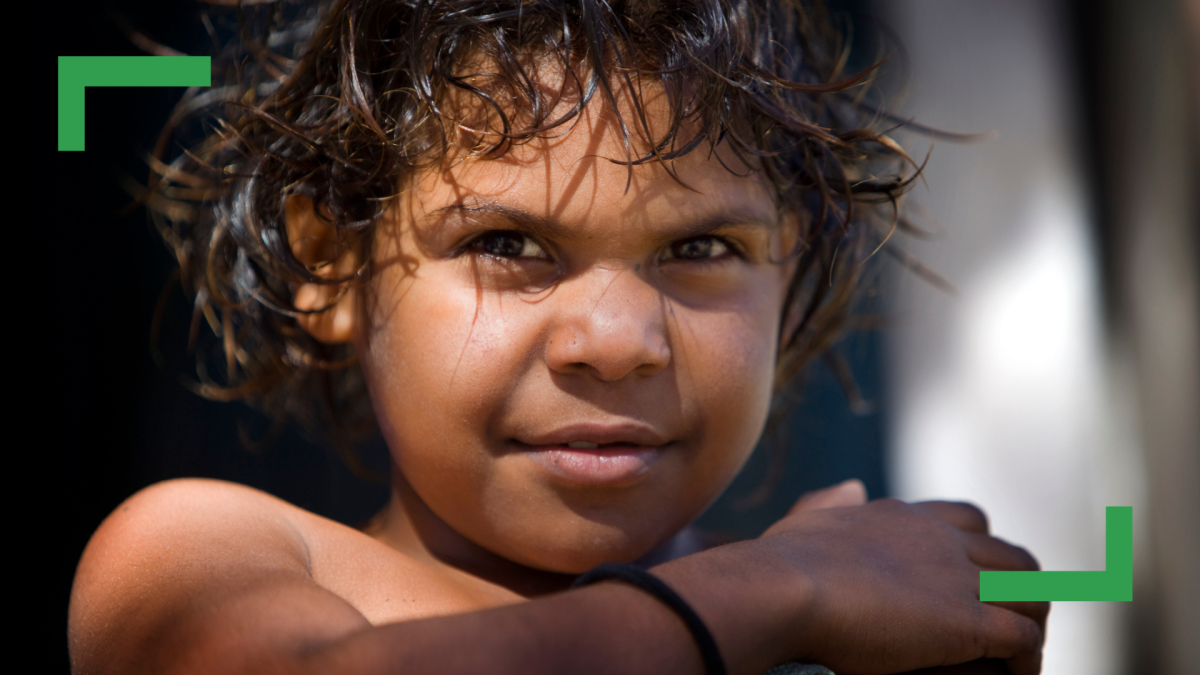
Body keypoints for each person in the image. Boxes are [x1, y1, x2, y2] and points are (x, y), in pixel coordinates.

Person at [68, 1, 1048, 673]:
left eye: (701, 245)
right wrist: (783, 586)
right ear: (330, 263)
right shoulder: (204, 552)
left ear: (791, 288)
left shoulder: (813, 624)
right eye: (509, 243)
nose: (617, 341)